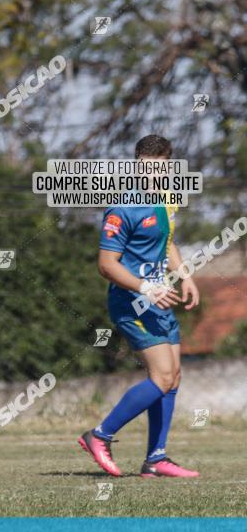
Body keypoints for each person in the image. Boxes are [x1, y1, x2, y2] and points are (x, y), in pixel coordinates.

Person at [79, 134, 200, 478]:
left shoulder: (168, 199)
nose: (154, 175)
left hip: (160, 299)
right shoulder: (123, 207)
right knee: (161, 376)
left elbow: (168, 243)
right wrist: (147, 288)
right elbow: (107, 264)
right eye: (147, 168)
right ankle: (99, 435)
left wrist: (185, 275)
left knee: (173, 377)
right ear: (136, 166)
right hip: (132, 302)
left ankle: (156, 458)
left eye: (161, 169)